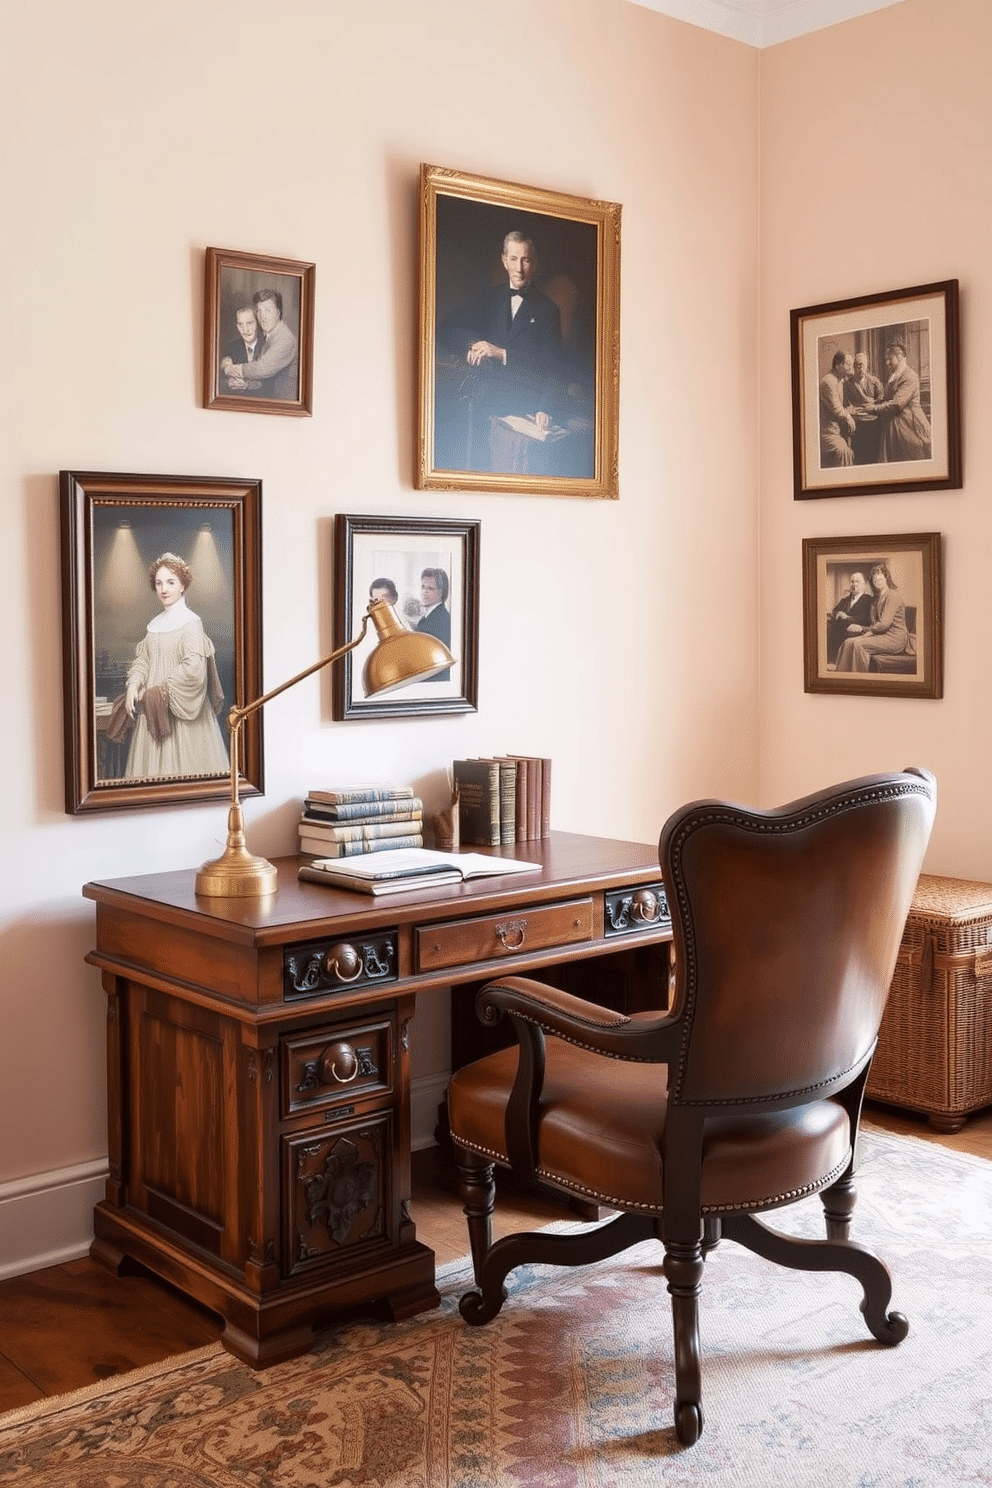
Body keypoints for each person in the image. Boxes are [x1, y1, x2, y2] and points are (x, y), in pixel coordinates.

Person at [438, 231, 571, 474]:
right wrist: (472, 344)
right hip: (485, 401)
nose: (519, 268)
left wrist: (546, 408)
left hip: (525, 405)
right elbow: (447, 328)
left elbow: (554, 369)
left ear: (535, 264)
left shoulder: (548, 310)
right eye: (513, 259)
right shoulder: (489, 298)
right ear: (504, 261)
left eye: (526, 260)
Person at [122, 553, 230, 779]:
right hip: (153, 711)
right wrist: (134, 684)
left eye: (171, 582)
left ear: (183, 585)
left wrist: (154, 693)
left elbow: (192, 669)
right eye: (159, 583)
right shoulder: (155, 624)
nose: (164, 589)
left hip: (184, 715)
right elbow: (144, 660)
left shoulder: (191, 623)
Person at [221, 288, 299, 400]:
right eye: (259, 311)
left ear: (278, 313)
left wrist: (233, 369)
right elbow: (264, 378)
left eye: (267, 311)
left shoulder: (284, 339)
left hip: (284, 404)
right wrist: (245, 384)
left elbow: (263, 368)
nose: (262, 317)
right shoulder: (268, 335)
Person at [834, 562, 909, 673]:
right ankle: (841, 675)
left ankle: (858, 679)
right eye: (875, 580)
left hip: (895, 638)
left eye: (880, 580)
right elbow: (875, 623)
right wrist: (860, 627)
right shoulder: (876, 599)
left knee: (858, 644)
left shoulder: (893, 597)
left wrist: (864, 630)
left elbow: (884, 624)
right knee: (848, 642)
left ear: (886, 579)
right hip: (881, 635)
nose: (877, 582)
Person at [872, 341, 932, 462]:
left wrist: (873, 409)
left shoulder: (909, 376)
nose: (887, 363)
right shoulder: (895, 375)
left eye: (890, 359)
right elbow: (888, 398)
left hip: (910, 424)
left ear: (900, 357)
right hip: (895, 422)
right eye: (886, 359)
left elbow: (897, 404)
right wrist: (874, 403)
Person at [826, 570, 874, 666]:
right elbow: (834, 611)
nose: (854, 584)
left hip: (857, 628)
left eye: (857, 581)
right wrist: (838, 613)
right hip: (841, 626)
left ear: (864, 585)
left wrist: (847, 617)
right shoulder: (846, 599)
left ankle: (836, 662)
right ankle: (830, 660)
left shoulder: (867, 599)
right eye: (852, 581)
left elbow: (864, 618)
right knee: (828, 625)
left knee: (836, 627)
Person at [844, 351, 885, 464]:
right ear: (854, 366)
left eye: (862, 365)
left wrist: (873, 403)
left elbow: (882, 400)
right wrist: (851, 408)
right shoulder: (848, 384)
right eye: (857, 365)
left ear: (867, 366)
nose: (860, 368)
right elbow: (845, 404)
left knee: (873, 452)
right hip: (857, 421)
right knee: (859, 453)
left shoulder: (875, 382)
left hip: (873, 420)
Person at [819, 350, 856, 467]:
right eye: (848, 364)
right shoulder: (828, 381)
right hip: (826, 432)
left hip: (835, 429)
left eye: (852, 364)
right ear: (838, 365)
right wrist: (848, 416)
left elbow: (838, 406)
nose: (851, 368)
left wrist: (847, 410)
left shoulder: (839, 381)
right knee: (845, 451)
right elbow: (836, 408)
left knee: (851, 447)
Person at [221, 305, 265, 397]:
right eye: (241, 325)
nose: (245, 330)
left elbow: (272, 381)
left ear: (257, 323)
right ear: (237, 326)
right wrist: (228, 374)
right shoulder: (232, 346)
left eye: (249, 323)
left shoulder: (268, 345)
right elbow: (221, 375)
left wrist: (248, 385)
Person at [416, 567, 451, 680]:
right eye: (423, 587)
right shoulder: (428, 617)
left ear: (441, 592)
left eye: (430, 588)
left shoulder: (442, 619)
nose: (424, 592)